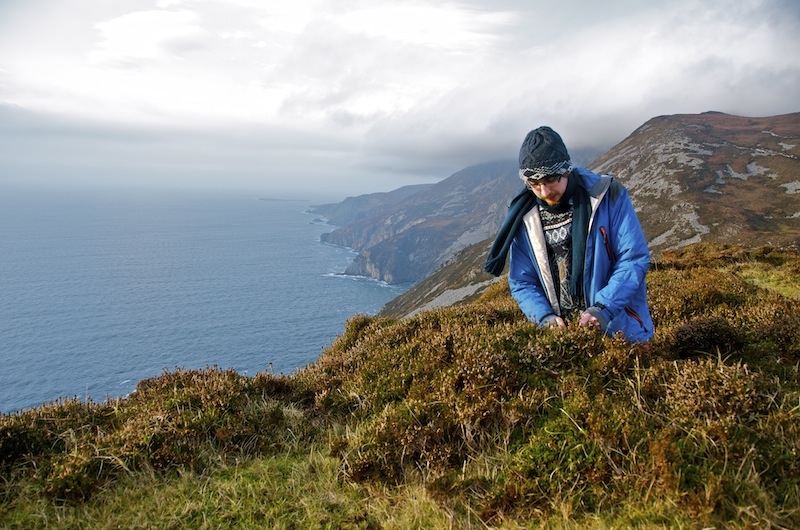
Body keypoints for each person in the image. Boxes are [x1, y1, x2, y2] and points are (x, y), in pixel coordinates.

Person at [484, 126, 653, 343]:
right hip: (565, 341)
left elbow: (633, 259)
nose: (544, 192)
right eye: (535, 185)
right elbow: (522, 281)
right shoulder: (525, 218)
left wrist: (602, 309)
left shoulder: (607, 195)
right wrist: (544, 317)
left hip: (621, 332)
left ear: (566, 170)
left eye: (550, 181)